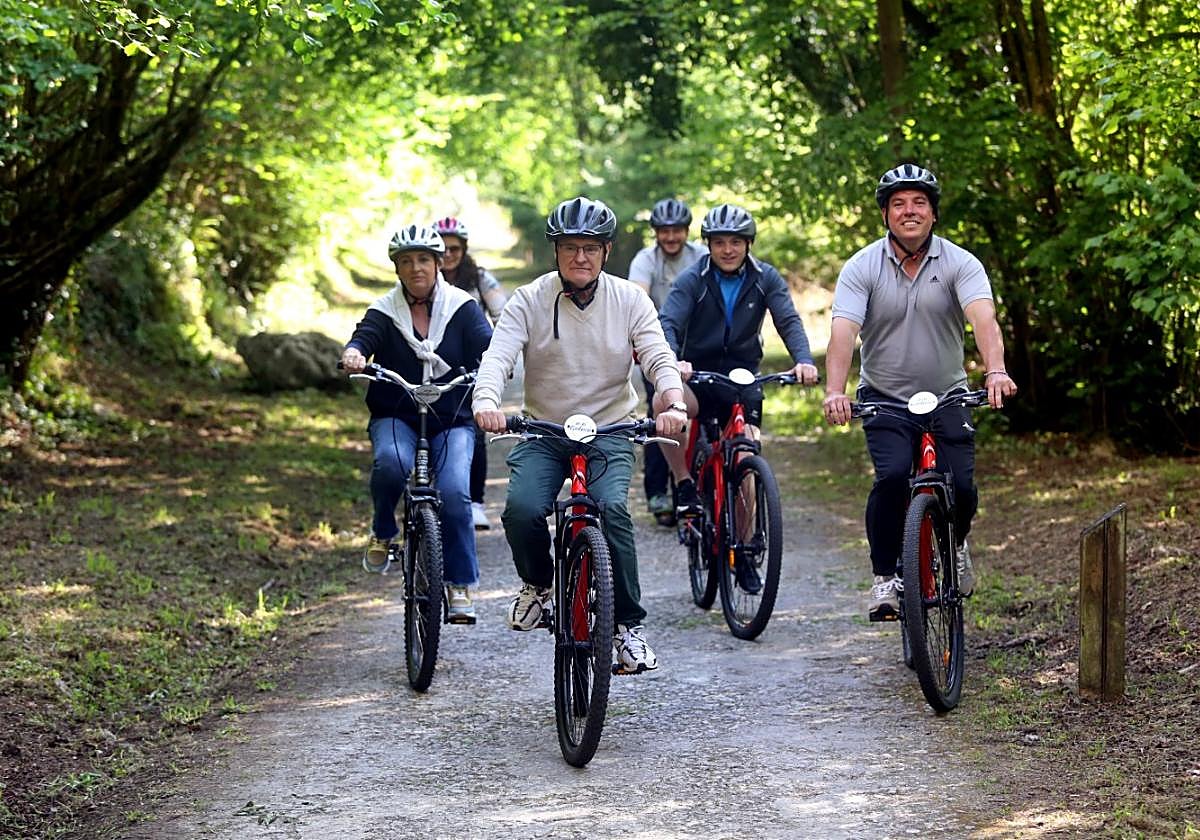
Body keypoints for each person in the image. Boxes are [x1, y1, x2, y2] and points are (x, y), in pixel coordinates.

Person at [472, 196, 688, 674]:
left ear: (606, 251)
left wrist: (671, 400)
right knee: (523, 508)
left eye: (590, 247)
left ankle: (627, 628)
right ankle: (537, 586)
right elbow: (498, 357)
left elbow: (656, 354)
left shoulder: (631, 299)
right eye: (570, 247)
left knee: (612, 510)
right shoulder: (529, 300)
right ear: (556, 251)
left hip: (610, 429)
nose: (580, 257)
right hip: (544, 429)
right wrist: (486, 401)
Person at [821, 164, 1017, 619]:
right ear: (886, 214)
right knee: (891, 479)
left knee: (963, 487)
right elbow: (843, 332)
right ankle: (885, 577)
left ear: (933, 213)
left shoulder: (959, 262)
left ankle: (958, 542)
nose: (909, 211)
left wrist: (995, 372)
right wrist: (835, 390)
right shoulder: (862, 266)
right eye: (898, 204)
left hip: (947, 394)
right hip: (885, 397)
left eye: (919, 203)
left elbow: (983, 318)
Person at [657, 203, 819, 590]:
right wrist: (672, 361)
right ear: (708, 246)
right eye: (719, 243)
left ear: (748, 243)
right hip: (698, 374)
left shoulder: (766, 278)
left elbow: (788, 320)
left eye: (735, 242)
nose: (728, 250)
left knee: (746, 458)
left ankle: (745, 553)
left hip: (744, 379)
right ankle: (683, 482)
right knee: (666, 402)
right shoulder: (692, 279)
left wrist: (803, 360)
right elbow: (669, 323)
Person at [341, 223, 493, 624]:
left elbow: (488, 345)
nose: (416, 268)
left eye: (424, 259)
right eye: (406, 262)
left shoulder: (462, 307)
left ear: (439, 263)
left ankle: (459, 585)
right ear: (396, 269)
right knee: (391, 463)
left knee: (456, 491)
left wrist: (496, 365)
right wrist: (355, 353)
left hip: (451, 415)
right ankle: (382, 531)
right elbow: (363, 338)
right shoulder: (384, 310)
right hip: (396, 412)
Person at [626, 198, 707, 527]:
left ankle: (695, 486)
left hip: (698, 343)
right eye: (664, 232)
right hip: (655, 344)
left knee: (702, 412)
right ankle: (657, 491)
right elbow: (637, 296)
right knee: (659, 414)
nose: (671, 237)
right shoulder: (645, 260)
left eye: (676, 231)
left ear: (686, 232)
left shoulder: (701, 255)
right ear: (656, 234)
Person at [434, 216, 509, 531]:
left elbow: (504, 315)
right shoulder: (422, 277)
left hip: (472, 367)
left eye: (455, 248)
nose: (449, 255)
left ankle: (475, 502)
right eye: (443, 248)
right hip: (431, 366)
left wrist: (497, 352)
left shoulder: (479, 278)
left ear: (464, 250)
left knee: (475, 432)